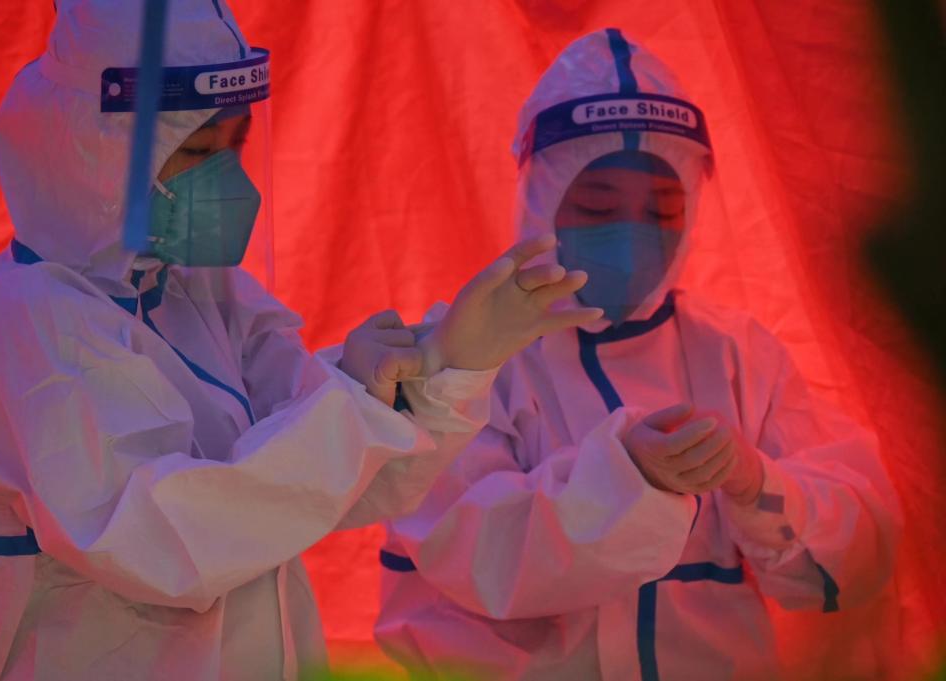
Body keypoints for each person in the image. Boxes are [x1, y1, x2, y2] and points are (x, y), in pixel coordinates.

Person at [0, 2, 604, 680]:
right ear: (95, 150)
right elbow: (167, 543)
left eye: (236, 144)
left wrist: (445, 363)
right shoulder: (24, 329)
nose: (225, 177)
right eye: (196, 151)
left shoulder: (198, 294)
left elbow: (327, 484)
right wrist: (360, 403)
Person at [374, 28, 902, 681]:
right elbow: (474, 554)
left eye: (664, 209)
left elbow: (859, 550)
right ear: (540, 198)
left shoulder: (736, 354)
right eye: (598, 207)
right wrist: (627, 476)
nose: (632, 238)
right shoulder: (468, 356)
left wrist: (757, 483)